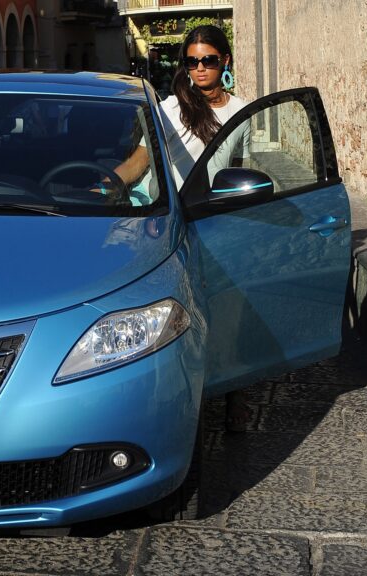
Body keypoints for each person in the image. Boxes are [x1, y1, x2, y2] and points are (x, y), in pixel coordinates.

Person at [113, 25, 251, 432]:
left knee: (229, 307)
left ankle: (236, 392)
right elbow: (140, 161)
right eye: (192, 61)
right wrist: (107, 183)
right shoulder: (170, 109)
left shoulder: (241, 112)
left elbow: (241, 170)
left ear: (225, 61)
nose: (200, 68)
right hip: (168, 223)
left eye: (208, 60)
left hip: (215, 219)